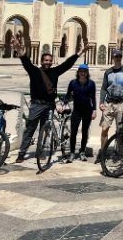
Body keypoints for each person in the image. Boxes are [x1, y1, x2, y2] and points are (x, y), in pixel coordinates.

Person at [11, 34, 88, 163]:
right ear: (42, 61)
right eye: (45, 60)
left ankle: (40, 152)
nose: (47, 62)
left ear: (52, 62)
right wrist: (18, 47)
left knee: (45, 130)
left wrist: (80, 52)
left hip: (50, 105)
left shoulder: (55, 71)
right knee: (30, 129)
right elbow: (25, 59)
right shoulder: (34, 71)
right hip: (36, 105)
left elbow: (67, 64)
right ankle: (22, 153)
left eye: (49, 61)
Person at [97, 49, 123, 163]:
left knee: (120, 131)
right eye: (116, 56)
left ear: (121, 57)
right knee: (104, 128)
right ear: (112, 57)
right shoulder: (108, 72)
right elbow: (103, 88)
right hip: (109, 103)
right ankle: (104, 153)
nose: (118, 58)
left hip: (121, 104)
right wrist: (101, 102)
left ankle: (120, 153)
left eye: (119, 56)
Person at [63, 63, 97, 162]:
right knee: (73, 131)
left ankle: (82, 152)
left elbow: (93, 98)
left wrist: (94, 110)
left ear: (87, 73)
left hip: (87, 110)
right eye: (81, 71)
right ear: (78, 72)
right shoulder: (73, 83)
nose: (83, 73)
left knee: (84, 131)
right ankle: (72, 152)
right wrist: (64, 105)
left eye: (85, 71)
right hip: (77, 110)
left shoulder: (91, 84)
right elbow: (68, 95)